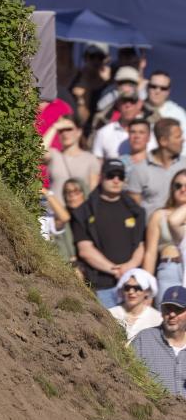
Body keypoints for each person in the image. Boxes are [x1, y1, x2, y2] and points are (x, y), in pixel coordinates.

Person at [71, 157, 145, 308]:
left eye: (120, 176)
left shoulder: (136, 210)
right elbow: (85, 250)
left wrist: (128, 267)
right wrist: (115, 269)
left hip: (133, 287)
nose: (116, 180)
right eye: (111, 175)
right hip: (101, 286)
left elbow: (141, 245)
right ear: (101, 177)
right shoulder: (84, 211)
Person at [132, 286, 186, 397]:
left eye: (178, 309)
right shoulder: (144, 340)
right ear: (161, 311)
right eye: (167, 309)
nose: (172, 314)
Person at [126, 118, 186, 217]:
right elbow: (134, 209)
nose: (183, 139)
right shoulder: (140, 170)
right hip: (150, 229)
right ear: (163, 141)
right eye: (178, 136)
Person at [142, 169, 186, 301]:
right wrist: (146, 288)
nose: (182, 189)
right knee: (168, 314)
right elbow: (150, 253)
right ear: (172, 189)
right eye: (178, 186)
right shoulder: (159, 215)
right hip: (170, 268)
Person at [42, 115, 99, 201]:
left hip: (80, 212)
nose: (65, 133)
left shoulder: (90, 159)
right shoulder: (54, 155)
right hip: (55, 211)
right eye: (61, 130)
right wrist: (54, 127)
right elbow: (38, 153)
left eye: (69, 129)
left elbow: (93, 192)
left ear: (79, 132)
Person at [41, 177, 87, 267]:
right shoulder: (61, 213)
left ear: (84, 193)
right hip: (69, 264)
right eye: (67, 192)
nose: (71, 195)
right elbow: (64, 218)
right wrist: (45, 192)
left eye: (76, 191)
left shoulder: (93, 216)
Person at [108, 269, 162, 341]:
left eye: (137, 288)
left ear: (147, 291)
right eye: (127, 288)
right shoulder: (111, 314)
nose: (131, 292)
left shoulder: (157, 319)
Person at [91, 92, 144, 160]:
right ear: (118, 105)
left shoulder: (150, 132)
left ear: (139, 105)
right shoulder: (104, 133)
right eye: (124, 102)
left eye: (132, 102)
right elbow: (97, 162)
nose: (128, 105)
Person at [147, 71, 186, 137]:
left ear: (168, 91)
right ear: (148, 87)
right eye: (153, 86)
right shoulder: (134, 109)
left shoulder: (177, 114)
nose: (157, 91)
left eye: (163, 88)